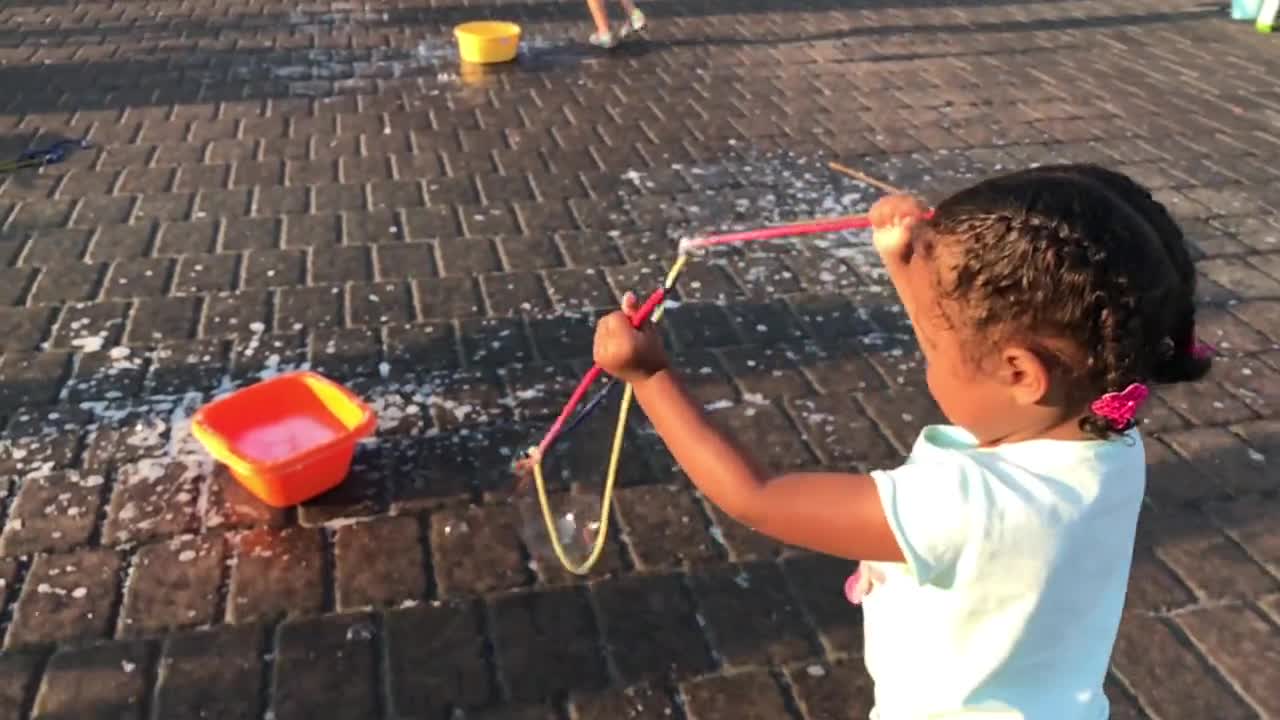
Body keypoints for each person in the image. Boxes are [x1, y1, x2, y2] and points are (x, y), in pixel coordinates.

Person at [592, 165, 1212, 718]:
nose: (927, 357)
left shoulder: (962, 505)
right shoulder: (1108, 434)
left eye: (935, 347)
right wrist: (906, 264)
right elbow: (974, 357)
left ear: (1022, 373)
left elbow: (758, 495)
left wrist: (650, 378)